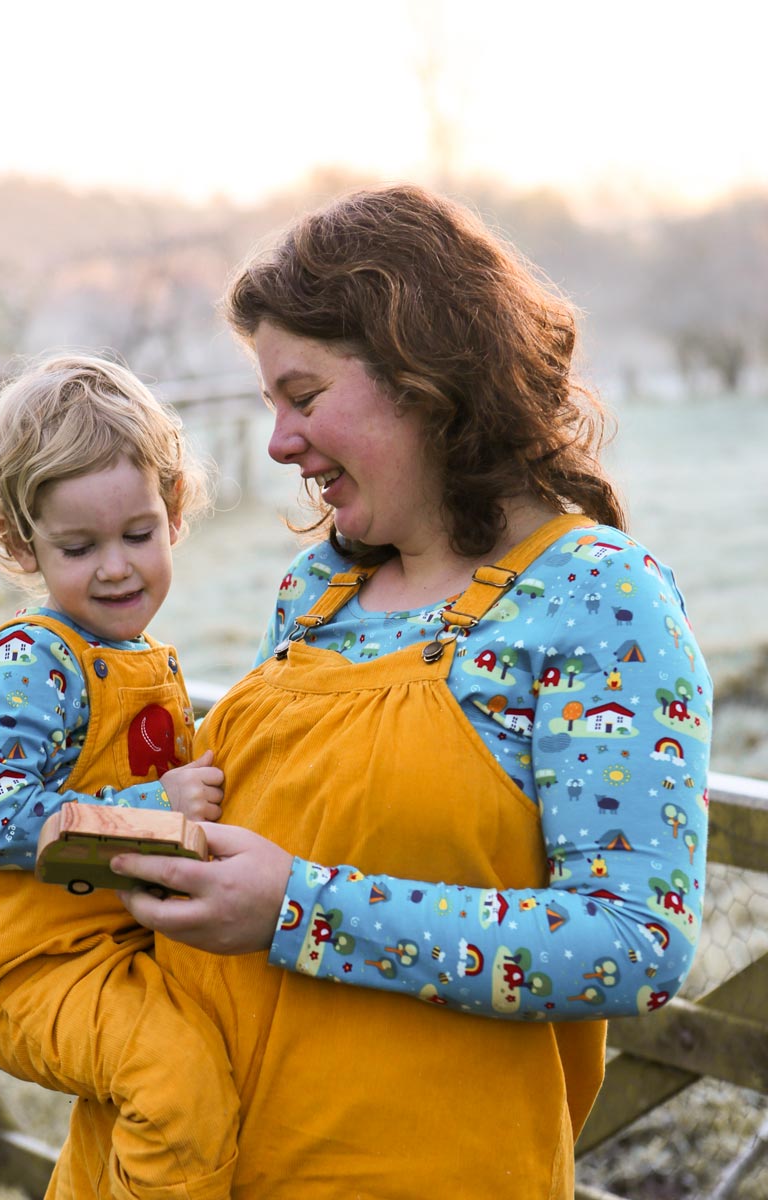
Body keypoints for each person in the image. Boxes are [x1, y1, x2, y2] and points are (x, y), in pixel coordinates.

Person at [107, 186, 712, 1198]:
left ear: (424, 371)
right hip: (211, 1164)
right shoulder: (319, 589)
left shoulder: (598, 598)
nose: (279, 444)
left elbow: (633, 944)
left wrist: (301, 909)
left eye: (303, 396)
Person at [0, 354, 239, 1200]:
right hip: (27, 966)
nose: (117, 568)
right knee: (177, 1085)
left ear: (173, 514)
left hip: (115, 948)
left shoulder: (134, 658)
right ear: (23, 544)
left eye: (138, 534)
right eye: (79, 547)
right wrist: (150, 807)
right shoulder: (28, 660)